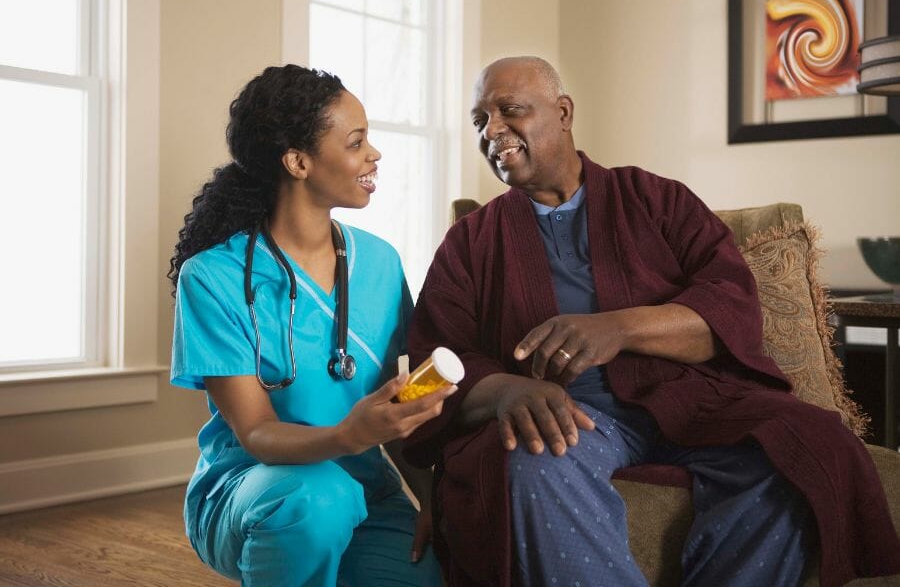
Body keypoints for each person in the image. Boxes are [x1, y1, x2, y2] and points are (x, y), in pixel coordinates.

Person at [403, 56, 900, 586]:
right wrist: (505, 390)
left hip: (690, 399)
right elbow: (434, 363)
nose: (492, 130)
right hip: (572, 415)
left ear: (564, 112)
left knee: (803, 448)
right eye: (480, 120)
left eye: (509, 110)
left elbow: (732, 306)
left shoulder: (657, 199)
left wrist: (619, 327)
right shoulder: (471, 242)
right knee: (533, 459)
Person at [168, 64, 451, 586]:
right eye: (356, 141)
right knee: (320, 501)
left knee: (427, 574)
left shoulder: (381, 263)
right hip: (257, 491)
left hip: (366, 491)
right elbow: (254, 431)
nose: (375, 154)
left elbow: (396, 405)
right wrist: (349, 433)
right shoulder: (212, 277)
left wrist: (434, 498)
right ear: (298, 161)